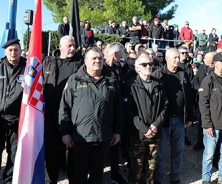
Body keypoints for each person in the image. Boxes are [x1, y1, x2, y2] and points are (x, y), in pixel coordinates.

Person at [59, 47, 123, 184]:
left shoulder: (112, 80)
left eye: (100, 58)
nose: (97, 61)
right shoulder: (74, 80)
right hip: (80, 137)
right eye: (94, 58)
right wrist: (65, 132)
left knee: (97, 176)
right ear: (85, 60)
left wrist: (117, 131)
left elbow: (118, 108)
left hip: (103, 136)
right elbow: (64, 108)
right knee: (78, 176)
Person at [44, 35, 83, 183]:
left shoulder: (80, 63)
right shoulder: (48, 62)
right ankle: (51, 180)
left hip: (73, 117)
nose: (72, 48)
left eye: (74, 46)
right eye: (69, 46)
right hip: (51, 116)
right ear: (60, 47)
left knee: (74, 153)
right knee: (51, 153)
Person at [123, 53, 167, 184]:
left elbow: (165, 106)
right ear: (137, 67)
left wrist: (155, 125)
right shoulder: (130, 85)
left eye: (150, 64)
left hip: (155, 134)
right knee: (136, 170)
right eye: (144, 64)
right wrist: (144, 128)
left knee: (150, 170)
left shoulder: (159, 84)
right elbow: (129, 112)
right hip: (138, 135)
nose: (148, 66)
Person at [0, 38, 25, 184]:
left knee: (15, 155)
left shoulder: (29, 70)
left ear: (21, 51)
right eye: (10, 50)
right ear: (5, 52)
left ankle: (10, 180)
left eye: (16, 50)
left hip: (17, 120)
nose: (13, 52)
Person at [155, 48, 194, 184]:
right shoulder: (158, 74)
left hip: (179, 119)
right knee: (160, 152)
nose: (178, 60)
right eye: (175, 58)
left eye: (178, 57)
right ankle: (158, 178)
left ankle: (175, 177)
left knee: (178, 151)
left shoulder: (183, 74)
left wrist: (189, 116)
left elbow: (189, 96)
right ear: (167, 58)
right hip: (163, 121)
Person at [198, 52, 222, 184]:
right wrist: (207, 124)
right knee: (209, 155)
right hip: (213, 125)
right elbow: (203, 104)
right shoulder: (207, 81)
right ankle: (206, 179)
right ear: (215, 63)